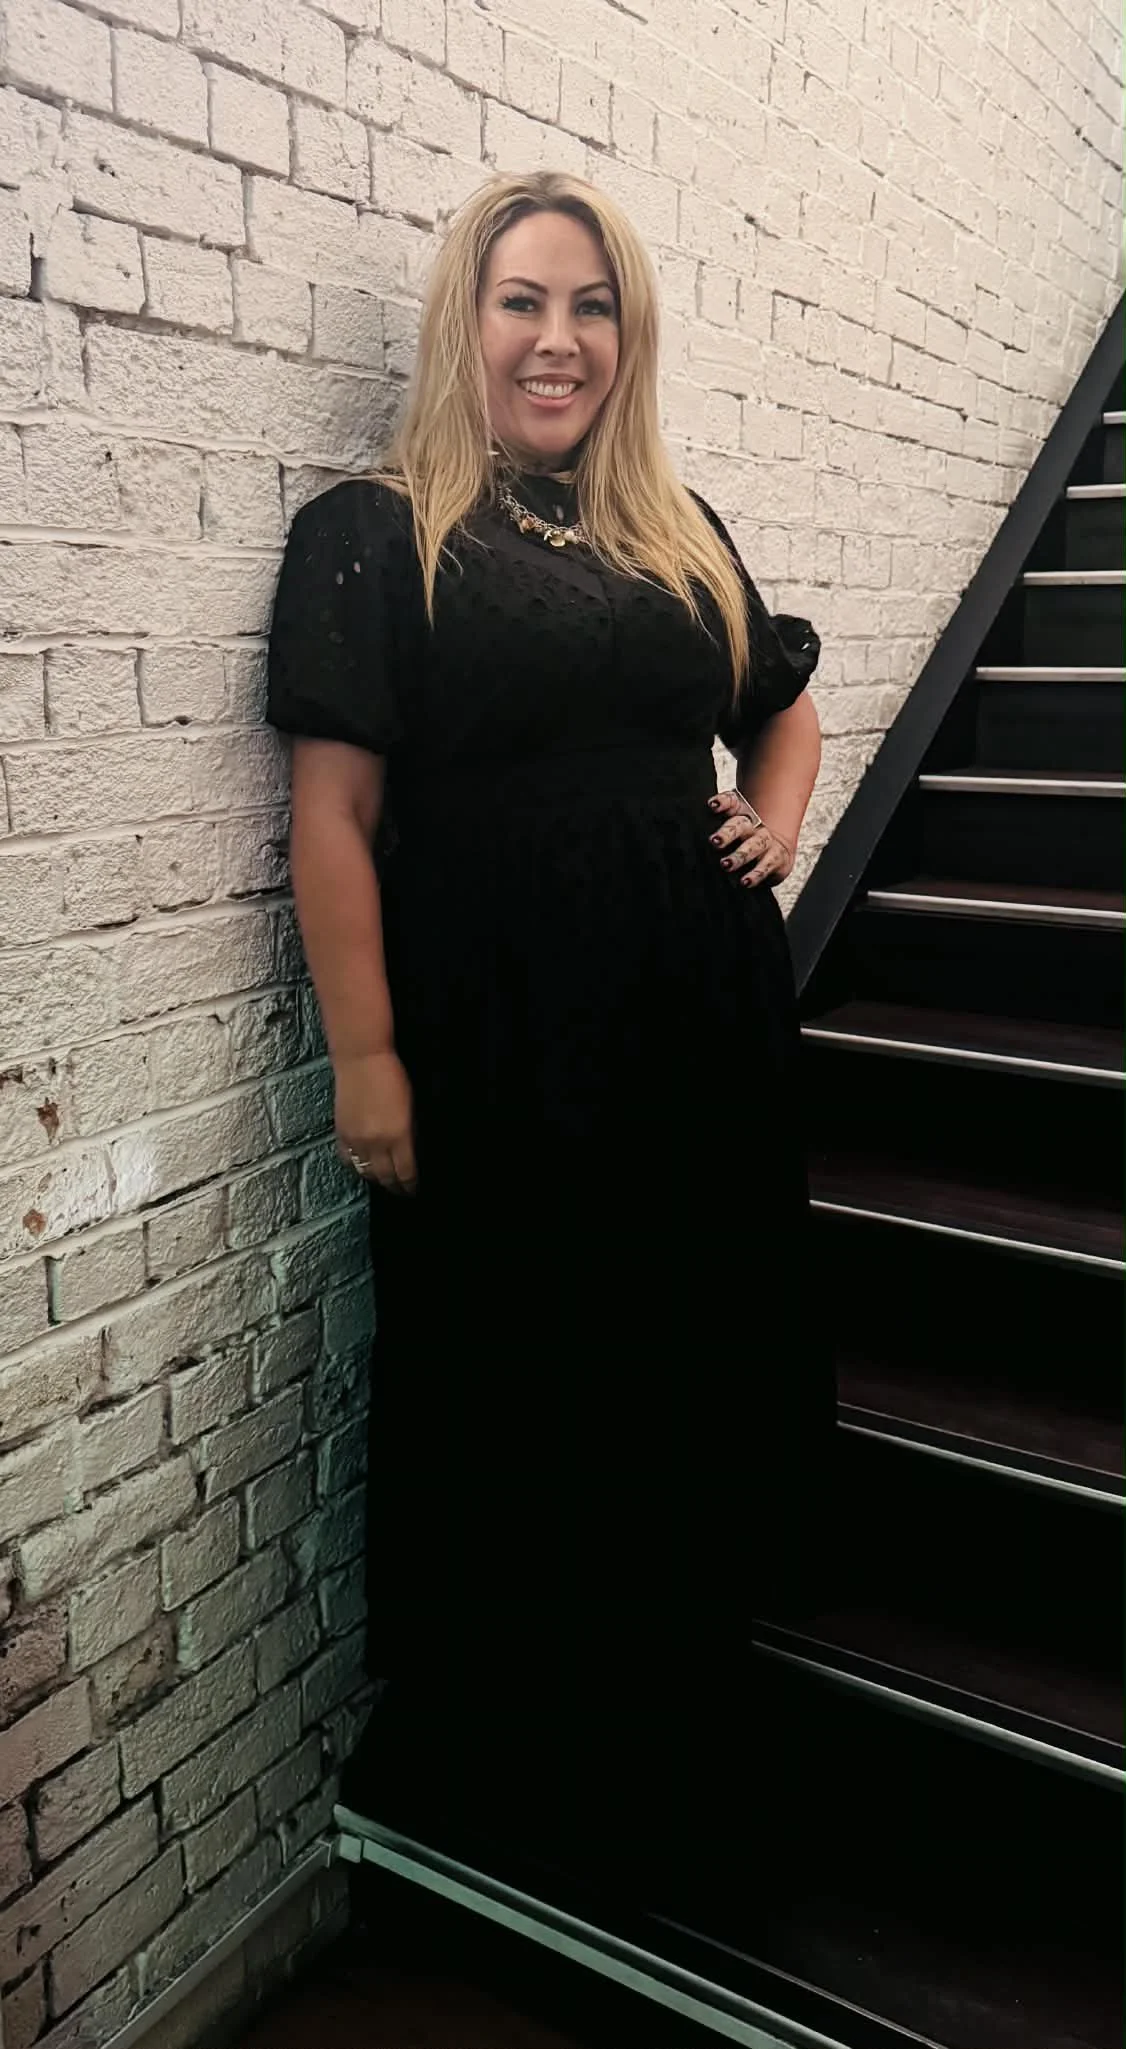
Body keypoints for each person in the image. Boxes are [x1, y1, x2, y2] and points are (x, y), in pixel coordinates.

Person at [267, 170, 831, 1886]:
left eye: (590, 306)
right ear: (467, 321)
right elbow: (333, 820)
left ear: (625, 335)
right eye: (523, 300)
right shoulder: (376, 529)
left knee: (683, 1350)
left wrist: (778, 823)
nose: (557, 338)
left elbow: (784, 704)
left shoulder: (672, 522)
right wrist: (368, 1062)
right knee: (518, 1371)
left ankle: (680, 1697)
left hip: (697, 1032)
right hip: (501, 1041)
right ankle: (526, 1754)